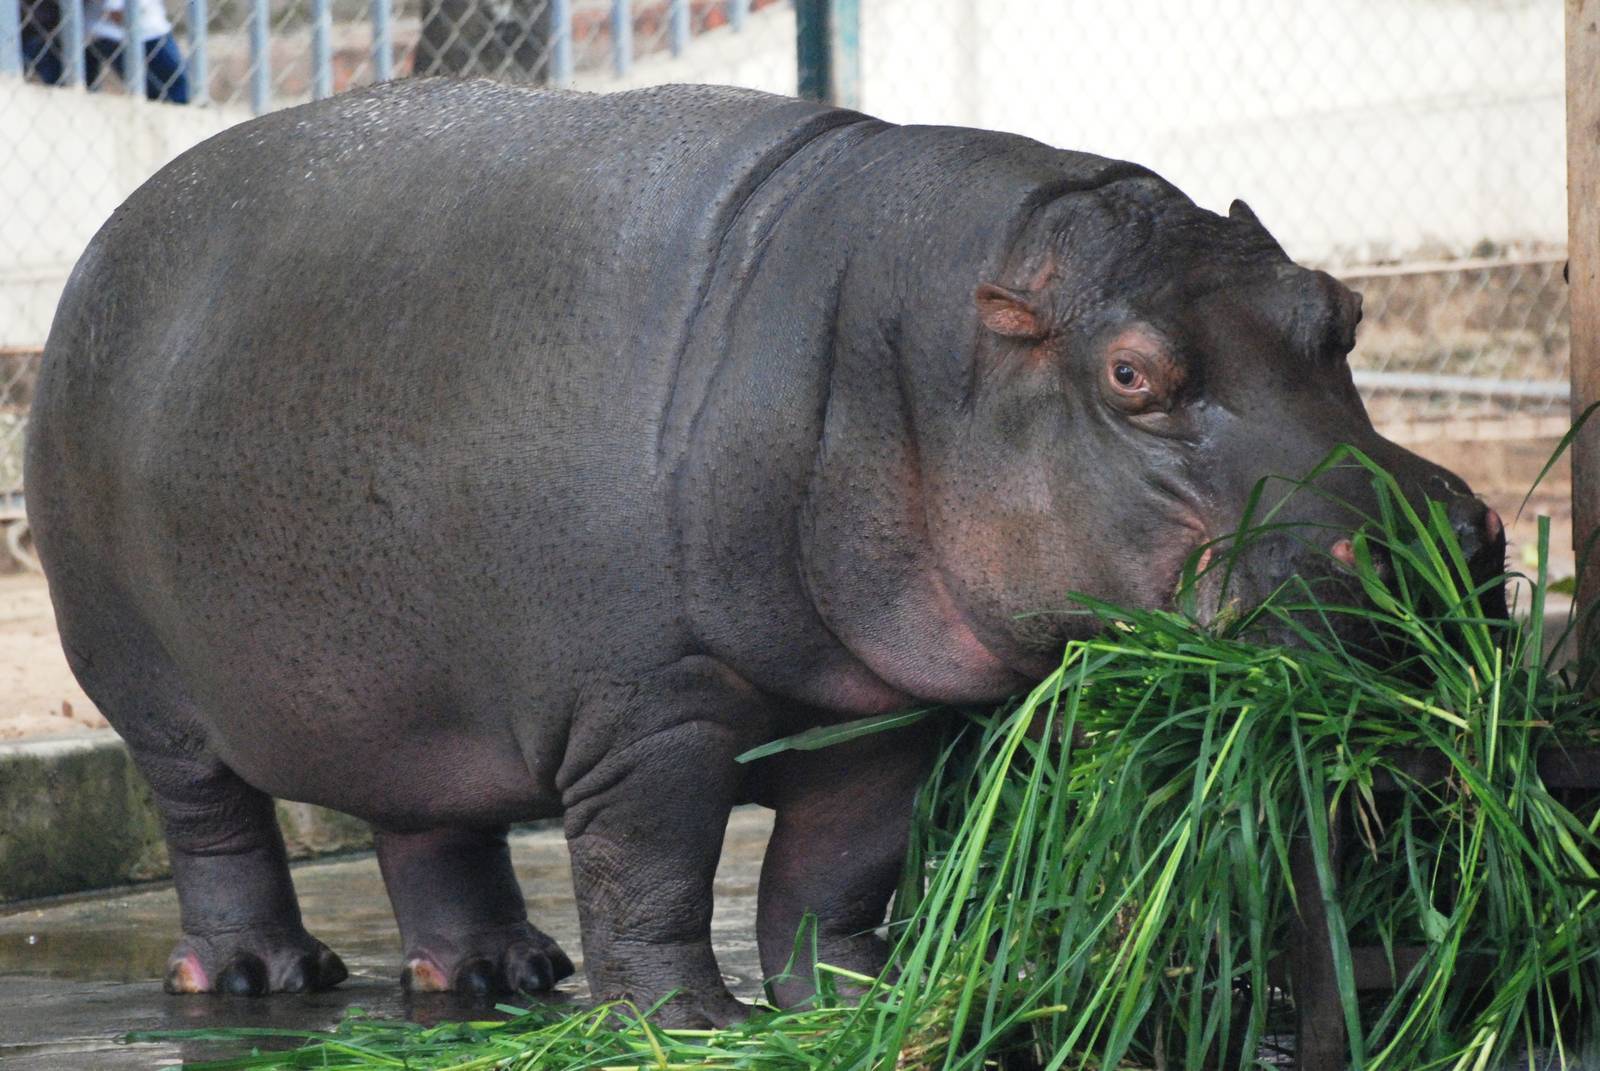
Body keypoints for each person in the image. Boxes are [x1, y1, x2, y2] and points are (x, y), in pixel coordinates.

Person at [20, 0, 191, 103]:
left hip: (134, 27)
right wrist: (119, 10)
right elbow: (117, 11)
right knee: (177, 92)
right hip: (126, 30)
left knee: (171, 92)